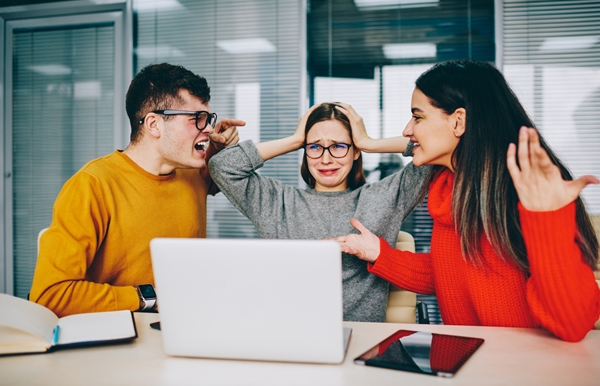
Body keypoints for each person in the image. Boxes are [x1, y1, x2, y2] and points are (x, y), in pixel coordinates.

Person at [335, 60, 600, 342]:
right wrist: (378, 253)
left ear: (459, 121)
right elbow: (449, 275)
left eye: (417, 117)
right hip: (467, 364)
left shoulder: (524, 190)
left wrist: (548, 217)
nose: (406, 130)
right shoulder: (450, 186)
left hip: (525, 368)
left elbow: (573, 323)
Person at [30, 63, 245, 317]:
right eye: (196, 119)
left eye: (208, 119)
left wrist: (219, 149)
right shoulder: (92, 185)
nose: (208, 128)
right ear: (154, 124)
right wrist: (148, 296)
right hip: (123, 338)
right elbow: (50, 295)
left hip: (191, 322)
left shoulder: (192, 173)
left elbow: (223, 177)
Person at [208, 103, 430, 322]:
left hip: (363, 344)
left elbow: (433, 149)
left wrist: (367, 142)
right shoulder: (275, 202)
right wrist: (294, 140)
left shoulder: (384, 198)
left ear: (355, 152)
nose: (325, 159)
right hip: (288, 342)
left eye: (338, 146)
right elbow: (222, 166)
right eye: (315, 147)